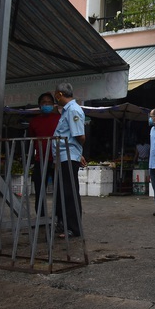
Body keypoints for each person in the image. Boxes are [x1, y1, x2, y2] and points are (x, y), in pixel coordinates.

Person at [53, 83, 87, 237]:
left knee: (69, 192)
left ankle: (73, 227)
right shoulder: (67, 110)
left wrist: (76, 152)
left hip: (68, 155)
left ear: (60, 94)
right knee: (63, 191)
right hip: (64, 155)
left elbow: (80, 135)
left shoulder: (73, 110)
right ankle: (65, 224)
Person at [28, 92, 61, 217]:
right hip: (40, 160)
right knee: (40, 189)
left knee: (59, 190)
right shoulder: (34, 122)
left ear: (53, 105)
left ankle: (59, 216)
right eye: (43, 102)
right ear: (39, 105)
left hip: (57, 158)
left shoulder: (59, 119)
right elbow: (31, 139)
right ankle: (41, 217)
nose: (46, 104)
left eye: (48, 102)